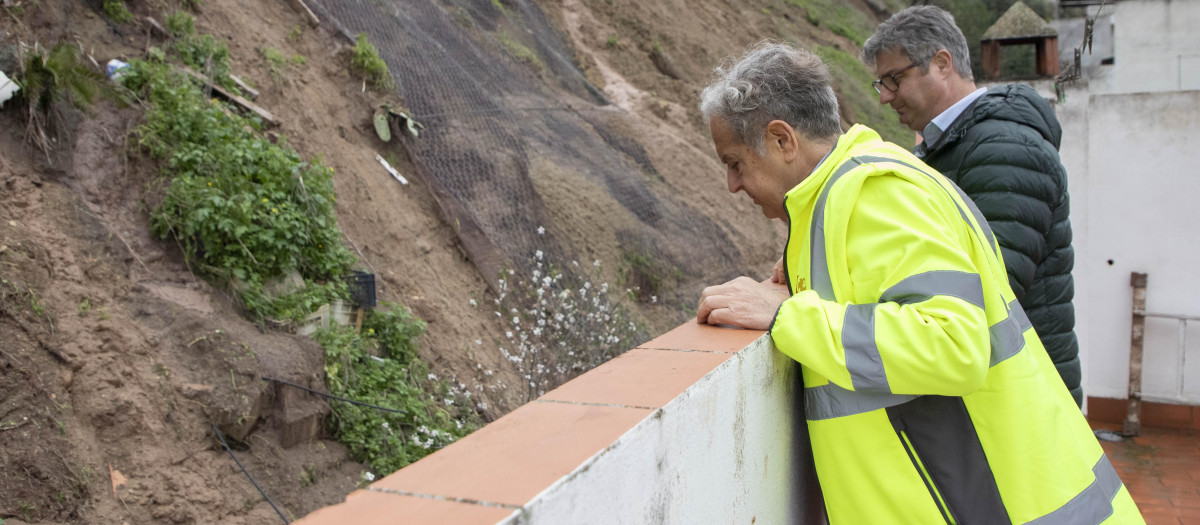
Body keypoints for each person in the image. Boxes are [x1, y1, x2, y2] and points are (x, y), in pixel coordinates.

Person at [695, 41, 1141, 524]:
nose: (732, 185)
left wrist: (787, 314)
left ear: (783, 140)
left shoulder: (873, 194)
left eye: (735, 162)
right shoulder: (851, 192)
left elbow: (953, 343)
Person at [860, 5, 1082, 407]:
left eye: (895, 79)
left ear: (942, 63)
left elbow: (988, 290)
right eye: (882, 84)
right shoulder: (952, 147)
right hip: (1006, 390)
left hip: (1028, 402)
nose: (886, 97)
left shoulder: (1002, 148)